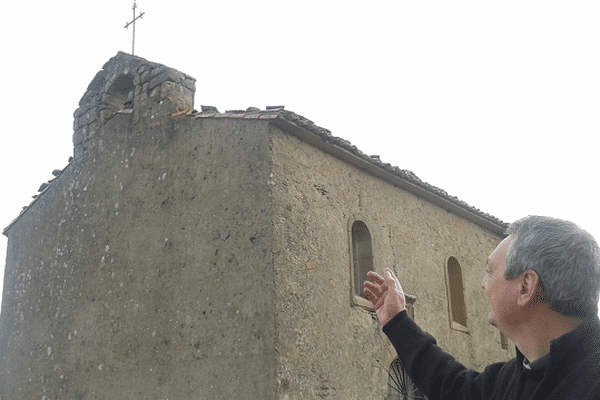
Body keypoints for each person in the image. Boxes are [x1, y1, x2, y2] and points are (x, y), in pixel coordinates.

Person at [364, 215, 600, 400]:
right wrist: (396, 321)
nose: (483, 285)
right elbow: (453, 387)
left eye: (490, 271)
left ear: (526, 286)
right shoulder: (514, 380)